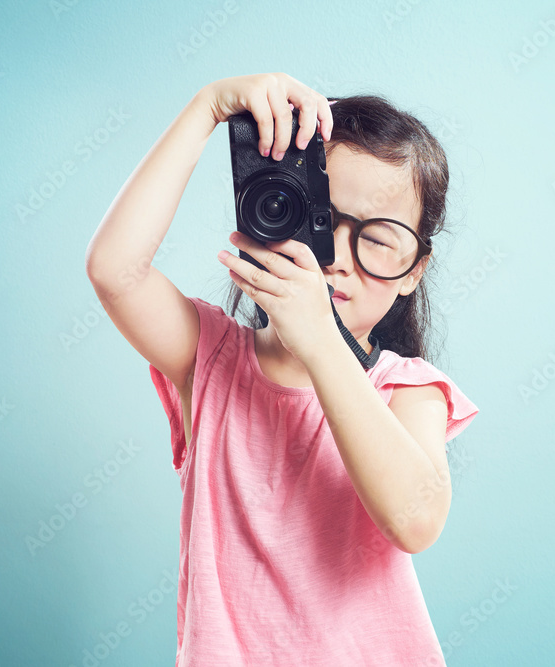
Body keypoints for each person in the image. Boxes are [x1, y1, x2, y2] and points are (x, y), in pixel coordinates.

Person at [85, 72, 479, 666]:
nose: (339, 260)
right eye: (319, 220)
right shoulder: (210, 362)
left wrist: (323, 344)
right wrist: (208, 107)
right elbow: (115, 271)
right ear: (272, 211)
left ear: (413, 270)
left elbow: (415, 521)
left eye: (379, 239)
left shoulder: (406, 391)